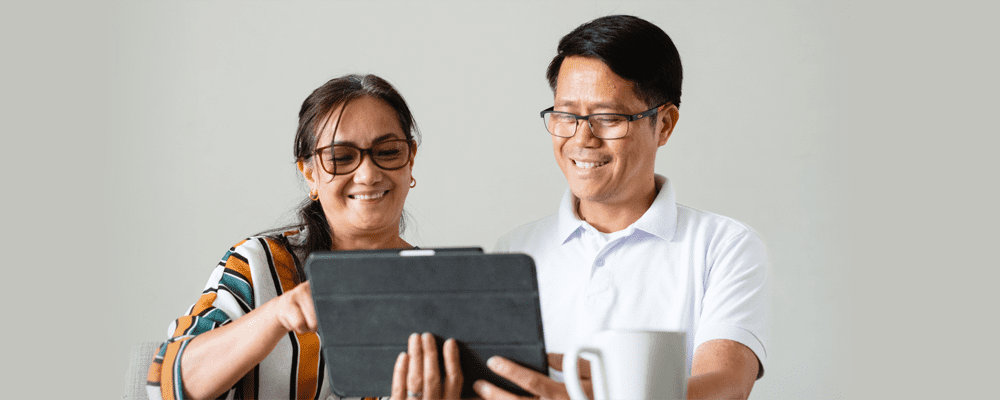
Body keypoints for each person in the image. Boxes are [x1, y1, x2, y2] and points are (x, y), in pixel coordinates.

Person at [470, 15, 769, 400]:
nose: (581, 138)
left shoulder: (725, 246)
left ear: (664, 124)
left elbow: (725, 387)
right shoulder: (514, 249)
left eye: (608, 118)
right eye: (565, 114)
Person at [146, 74, 462, 400]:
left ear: (410, 160)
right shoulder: (258, 265)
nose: (368, 174)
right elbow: (165, 386)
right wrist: (275, 315)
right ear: (310, 174)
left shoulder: (451, 290)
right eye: (341, 157)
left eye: (388, 151)